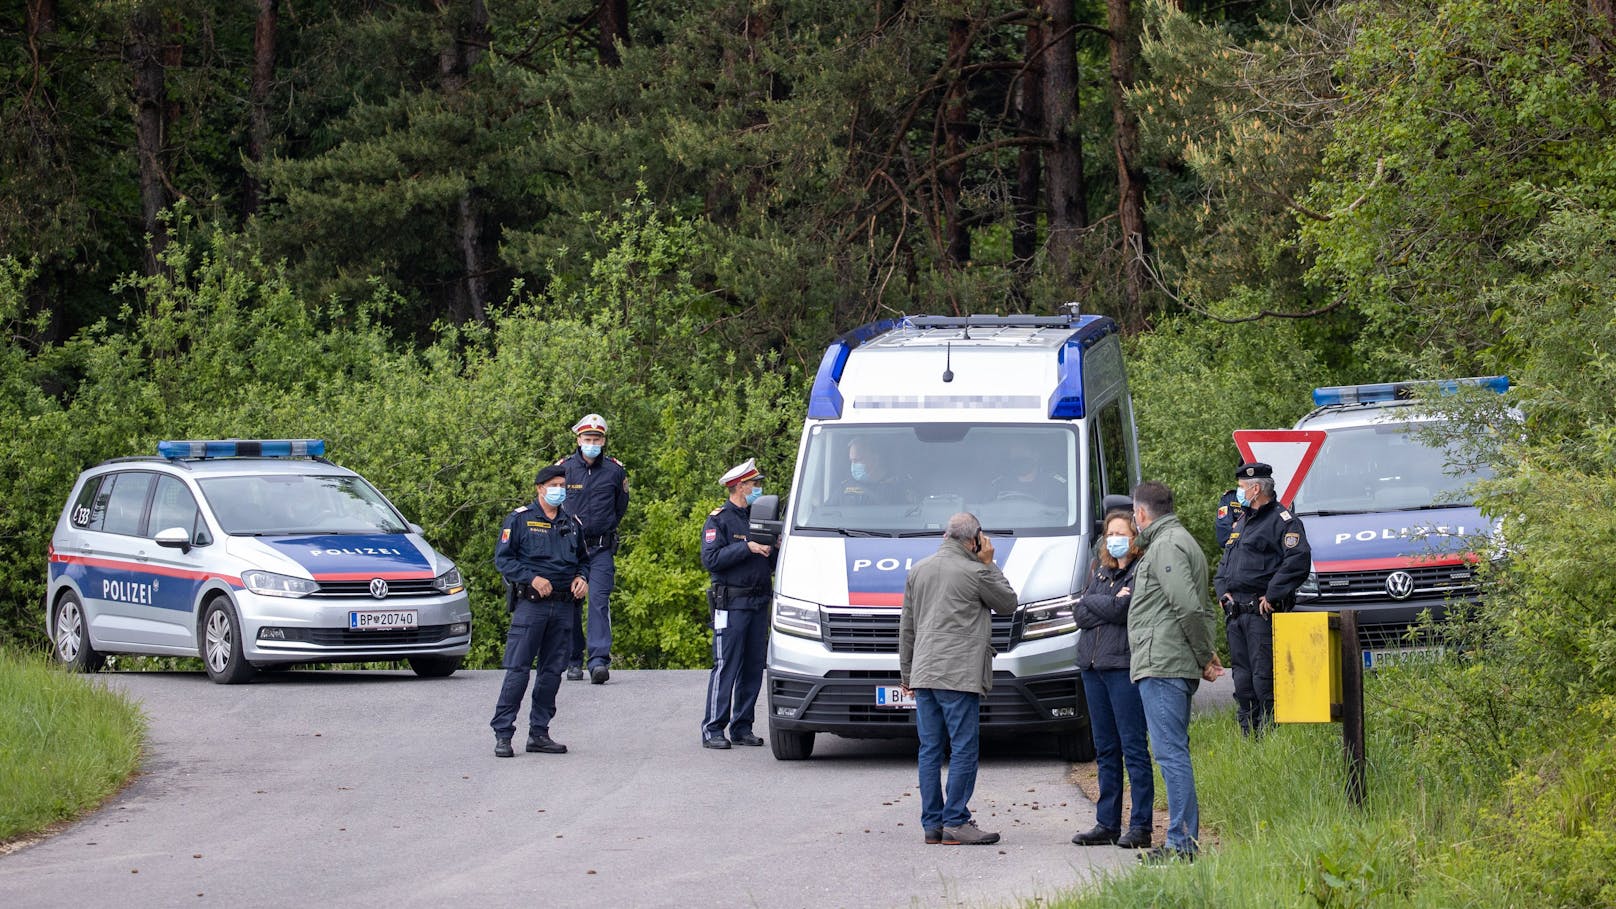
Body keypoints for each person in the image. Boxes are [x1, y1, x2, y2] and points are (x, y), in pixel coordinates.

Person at [898, 512, 1019, 846]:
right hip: (958, 675)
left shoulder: (918, 570)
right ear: (975, 539)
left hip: (924, 673)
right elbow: (1008, 603)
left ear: (946, 535)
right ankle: (956, 820)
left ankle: (932, 825)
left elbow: (907, 626)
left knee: (930, 749)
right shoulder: (976, 571)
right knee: (964, 747)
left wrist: (907, 673)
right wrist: (990, 563)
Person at [1128, 481, 1222, 863]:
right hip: (1167, 660)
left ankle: (1182, 845)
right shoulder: (1181, 540)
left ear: (1140, 514)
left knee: (1170, 754)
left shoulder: (1166, 545)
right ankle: (1181, 842)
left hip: (1163, 662)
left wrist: (1204, 655)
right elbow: (1198, 605)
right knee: (1171, 751)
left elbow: (1185, 606)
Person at [490, 465, 590, 758]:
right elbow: (503, 560)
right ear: (540, 488)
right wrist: (531, 577)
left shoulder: (572, 523)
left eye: (563, 484)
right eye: (554, 484)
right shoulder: (520, 520)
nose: (560, 489)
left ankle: (539, 733)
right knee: (518, 670)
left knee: (551, 673)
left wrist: (582, 578)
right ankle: (503, 733)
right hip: (531, 605)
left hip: (563, 607)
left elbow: (584, 560)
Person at [1070, 509, 1154, 850]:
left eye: (1122, 533)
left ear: (1134, 539)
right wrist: (1099, 602)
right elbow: (1079, 613)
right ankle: (1106, 823)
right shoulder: (1100, 572)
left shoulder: (1140, 571)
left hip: (1123, 668)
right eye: (1110, 534)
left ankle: (1141, 825)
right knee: (1105, 749)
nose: (1115, 539)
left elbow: (1124, 612)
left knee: (1133, 748)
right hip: (1092, 667)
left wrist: (1093, 603)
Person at [1214, 462, 1312, 737]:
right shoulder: (1243, 521)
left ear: (1256, 489)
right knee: (1242, 680)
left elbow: (1298, 560)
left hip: (1262, 613)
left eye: (1242, 488)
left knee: (1263, 679)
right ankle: (1249, 737)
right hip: (1236, 614)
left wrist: (1273, 593)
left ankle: (1271, 736)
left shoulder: (1283, 521)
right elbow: (1225, 564)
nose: (1239, 493)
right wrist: (1223, 593)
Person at [700, 458, 777, 750]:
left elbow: (769, 561)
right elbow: (711, 559)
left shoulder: (759, 519)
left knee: (753, 667)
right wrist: (746, 547)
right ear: (740, 487)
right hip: (731, 605)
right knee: (726, 666)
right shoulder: (719, 520)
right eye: (755, 484)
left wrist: (776, 547)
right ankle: (713, 728)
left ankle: (742, 726)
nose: (759, 489)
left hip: (758, 604)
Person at [557, 413, 630, 684]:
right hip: (570, 550)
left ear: (603, 440)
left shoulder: (615, 470)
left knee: (598, 601)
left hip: (600, 549)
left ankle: (598, 661)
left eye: (597, 438)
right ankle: (574, 659)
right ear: (578, 439)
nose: (592, 442)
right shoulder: (564, 469)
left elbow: (620, 506)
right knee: (571, 603)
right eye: (587, 438)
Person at [837, 438, 908, 505]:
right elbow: (828, 513)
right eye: (851, 461)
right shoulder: (845, 488)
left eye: (857, 460)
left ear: (875, 459)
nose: (853, 465)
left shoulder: (897, 488)